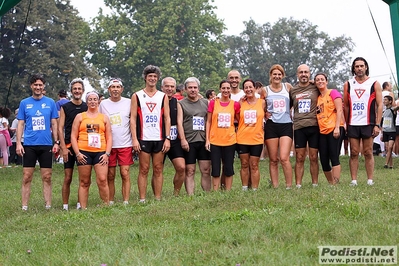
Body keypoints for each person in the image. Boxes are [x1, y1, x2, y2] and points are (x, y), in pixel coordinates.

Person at [16, 74, 59, 210]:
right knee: (27, 176)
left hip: (46, 144)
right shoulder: (24, 103)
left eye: (40, 85)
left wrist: (56, 142)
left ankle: (48, 205)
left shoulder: (50, 102)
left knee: (47, 176)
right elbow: (20, 124)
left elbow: (54, 123)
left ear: (43, 86)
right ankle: (24, 206)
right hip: (29, 144)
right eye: (35, 85)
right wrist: (18, 143)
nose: (38, 87)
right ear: (31, 86)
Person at [130, 65, 171, 202]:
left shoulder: (163, 96)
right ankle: (142, 199)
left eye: (155, 76)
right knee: (144, 169)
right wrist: (134, 139)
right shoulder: (137, 96)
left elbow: (167, 118)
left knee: (158, 169)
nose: (152, 79)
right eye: (150, 76)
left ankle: (157, 198)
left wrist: (167, 138)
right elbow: (133, 119)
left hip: (159, 138)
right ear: (145, 78)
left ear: (158, 79)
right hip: (143, 138)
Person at [343, 57, 382, 186]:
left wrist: (377, 124)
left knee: (368, 151)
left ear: (366, 67)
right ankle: (353, 180)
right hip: (353, 123)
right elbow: (346, 105)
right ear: (353, 68)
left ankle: (370, 179)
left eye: (361, 66)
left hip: (368, 123)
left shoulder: (374, 83)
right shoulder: (348, 84)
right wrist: (346, 123)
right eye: (357, 66)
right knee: (354, 152)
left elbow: (380, 105)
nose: (359, 68)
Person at [71, 91, 112, 209]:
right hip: (83, 152)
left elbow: (109, 137)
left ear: (99, 101)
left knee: (103, 179)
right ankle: (83, 207)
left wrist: (107, 154)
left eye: (95, 99)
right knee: (84, 181)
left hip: (100, 152)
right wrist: (77, 153)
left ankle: (106, 205)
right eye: (90, 99)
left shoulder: (104, 118)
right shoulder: (80, 116)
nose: (93, 102)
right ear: (87, 102)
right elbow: (73, 136)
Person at [100, 78, 133, 205]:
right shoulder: (103, 104)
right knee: (110, 174)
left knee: (125, 173)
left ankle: (125, 201)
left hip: (125, 143)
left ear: (122, 89)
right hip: (109, 145)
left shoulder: (129, 102)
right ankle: (111, 200)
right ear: (109, 90)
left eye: (117, 87)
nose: (115, 89)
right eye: (112, 87)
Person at [178, 77, 211, 195]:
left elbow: (209, 120)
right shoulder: (181, 104)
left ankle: (207, 194)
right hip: (189, 141)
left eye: (195, 88)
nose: (193, 90)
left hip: (203, 140)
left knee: (206, 170)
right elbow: (179, 123)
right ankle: (190, 195)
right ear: (185, 89)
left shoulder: (206, 103)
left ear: (199, 89)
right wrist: (183, 140)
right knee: (190, 170)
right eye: (190, 88)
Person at [58, 78, 87, 210]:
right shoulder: (65, 107)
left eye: (79, 89)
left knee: (83, 178)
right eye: (74, 89)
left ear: (83, 91)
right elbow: (60, 128)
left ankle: (80, 203)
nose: (77, 91)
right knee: (68, 177)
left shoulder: (87, 107)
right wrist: (63, 147)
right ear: (71, 91)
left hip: (83, 146)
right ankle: (65, 205)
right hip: (69, 147)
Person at [205, 80, 240, 190]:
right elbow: (209, 121)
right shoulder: (213, 103)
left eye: (228, 88)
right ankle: (215, 190)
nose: (226, 90)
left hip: (230, 140)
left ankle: (228, 191)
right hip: (215, 140)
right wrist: (207, 139)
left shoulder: (235, 104)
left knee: (228, 167)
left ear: (231, 90)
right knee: (215, 168)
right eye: (223, 88)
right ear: (220, 89)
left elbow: (240, 121)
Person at [289, 64, 320, 188]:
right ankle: (298, 185)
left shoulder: (315, 87)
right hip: (299, 126)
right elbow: (288, 106)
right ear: (297, 74)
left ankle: (315, 184)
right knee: (300, 157)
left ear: (309, 74)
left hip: (314, 125)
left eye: (306, 72)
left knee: (313, 157)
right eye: (301, 72)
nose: (303, 74)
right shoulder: (293, 90)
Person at [264, 64, 293, 189]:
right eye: (274, 74)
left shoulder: (288, 87)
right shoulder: (265, 90)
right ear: (271, 75)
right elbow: (259, 104)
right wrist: (265, 112)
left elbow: (296, 99)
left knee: (284, 158)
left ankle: (289, 186)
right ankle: (275, 186)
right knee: (273, 159)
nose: (277, 76)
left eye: (279, 74)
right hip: (271, 125)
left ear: (282, 76)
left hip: (286, 124)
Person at [315, 73, 344, 185]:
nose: (320, 81)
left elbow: (339, 110)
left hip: (334, 129)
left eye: (322, 79)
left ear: (326, 81)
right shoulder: (318, 98)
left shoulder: (333, 93)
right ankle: (331, 183)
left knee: (334, 156)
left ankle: (336, 183)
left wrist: (337, 127)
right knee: (323, 159)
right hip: (322, 131)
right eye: (317, 80)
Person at [236, 78, 266, 191]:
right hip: (242, 138)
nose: (248, 89)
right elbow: (238, 118)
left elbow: (267, 115)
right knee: (244, 164)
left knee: (254, 165)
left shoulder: (262, 102)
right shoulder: (240, 103)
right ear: (243, 90)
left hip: (257, 138)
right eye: (246, 87)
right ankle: (244, 188)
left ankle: (255, 189)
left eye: (250, 87)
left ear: (255, 88)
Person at [161, 77, 186, 196]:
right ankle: (157, 195)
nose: (169, 89)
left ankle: (176, 194)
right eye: (167, 86)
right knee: (157, 169)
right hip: (159, 139)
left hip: (174, 138)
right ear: (162, 88)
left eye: (172, 86)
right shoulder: (157, 101)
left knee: (181, 167)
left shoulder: (178, 102)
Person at [381, 95, 398, 169]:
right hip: (385, 131)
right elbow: (382, 123)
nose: (384, 101)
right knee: (388, 148)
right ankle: (391, 165)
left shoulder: (393, 110)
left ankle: (386, 164)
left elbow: (397, 107)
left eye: (386, 100)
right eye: (384, 100)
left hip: (392, 131)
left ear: (390, 101)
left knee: (390, 147)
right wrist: (381, 133)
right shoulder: (384, 112)